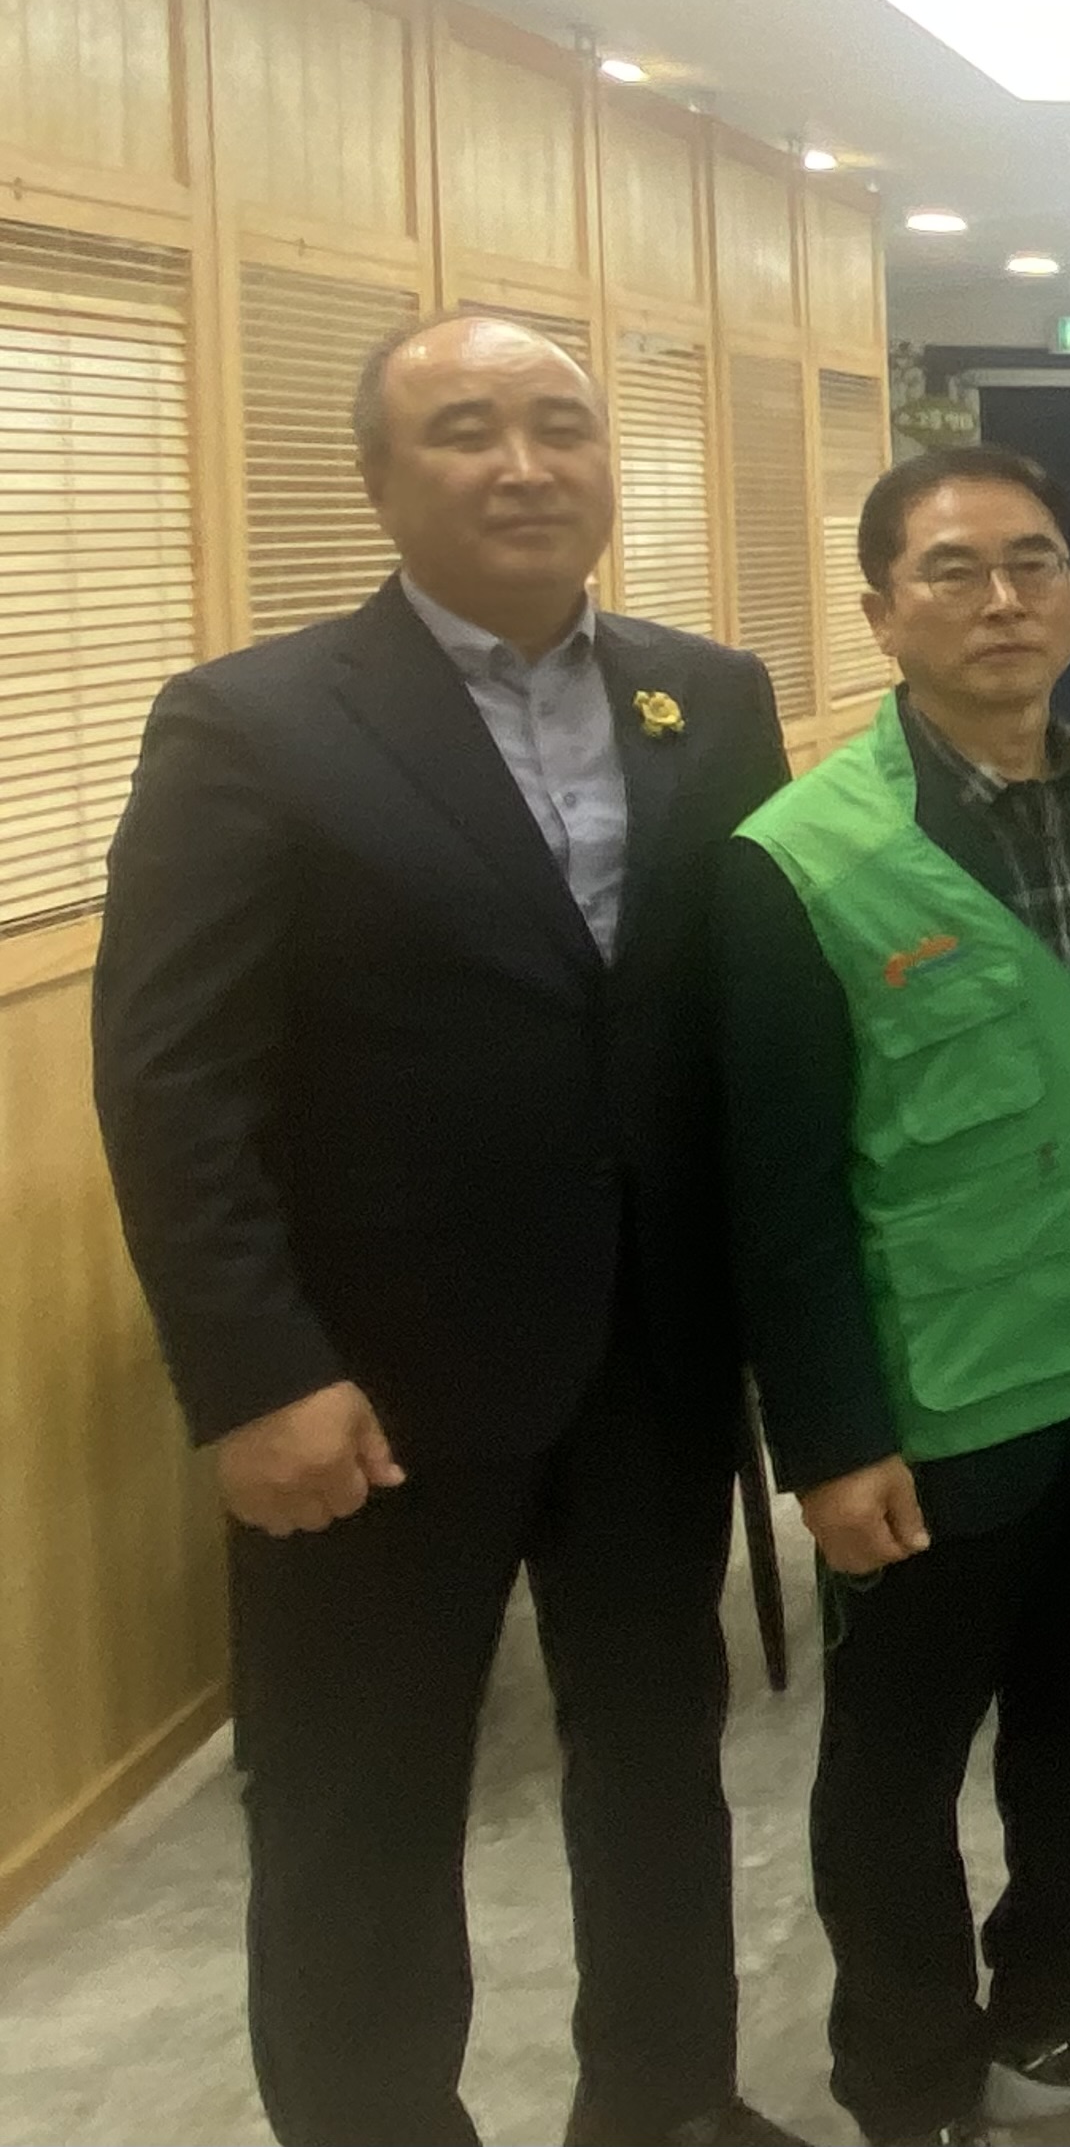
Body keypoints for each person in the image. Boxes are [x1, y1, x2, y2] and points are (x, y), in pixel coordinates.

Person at [89, 312, 794, 2147]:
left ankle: (666, 2100)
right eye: (467, 428)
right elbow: (172, 1080)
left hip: (648, 1355)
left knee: (659, 1760)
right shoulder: (254, 723)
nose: (524, 464)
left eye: (561, 424)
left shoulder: (708, 696)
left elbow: (725, 1023)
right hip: (373, 1383)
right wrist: (255, 1373)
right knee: (360, 1803)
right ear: (377, 478)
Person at [718, 445, 1070, 2147]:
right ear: (881, 612)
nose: (1002, 598)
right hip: (939, 1402)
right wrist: (828, 1437)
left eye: (1034, 562)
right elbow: (776, 1190)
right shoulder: (800, 857)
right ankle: (908, 2077)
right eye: (952, 570)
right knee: (896, 1765)